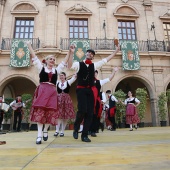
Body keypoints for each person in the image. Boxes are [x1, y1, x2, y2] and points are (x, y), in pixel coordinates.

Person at [27, 42, 75, 144]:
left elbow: (64, 61)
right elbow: (34, 57)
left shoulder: (57, 70)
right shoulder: (41, 68)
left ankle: (45, 130)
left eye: (54, 59)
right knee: (40, 112)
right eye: (51, 59)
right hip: (43, 91)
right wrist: (29, 46)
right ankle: (39, 135)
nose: (52, 60)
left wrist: (70, 51)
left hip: (52, 92)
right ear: (47, 61)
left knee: (51, 112)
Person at [69, 45, 120, 142]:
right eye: (88, 52)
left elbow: (106, 60)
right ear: (86, 54)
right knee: (82, 110)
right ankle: (76, 128)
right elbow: (70, 65)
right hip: (81, 90)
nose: (90, 54)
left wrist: (116, 51)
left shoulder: (95, 65)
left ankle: (84, 135)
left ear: (93, 57)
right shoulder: (79, 64)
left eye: (92, 54)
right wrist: (71, 53)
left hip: (90, 91)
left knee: (90, 113)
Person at [89, 67, 119, 137]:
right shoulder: (87, 81)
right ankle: (89, 130)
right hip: (89, 100)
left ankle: (93, 130)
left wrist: (114, 72)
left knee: (95, 115)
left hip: (96, 101)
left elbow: (109, 79)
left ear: (96, 74)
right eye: (93, 73)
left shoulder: (99, 82)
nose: (94, 74)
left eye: (95, 73)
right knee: (88, 115)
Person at [54, 72, 76, 137]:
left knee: (65, 116)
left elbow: (74, 78)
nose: (61, 77)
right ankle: (57, 130)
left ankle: (62, 131)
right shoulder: (57, 82)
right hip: (59, 100)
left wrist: (76, 73)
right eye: (60, 76)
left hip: (66, 100)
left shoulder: (68, 82)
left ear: (65, 76)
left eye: (62, 75)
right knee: (58, 115)